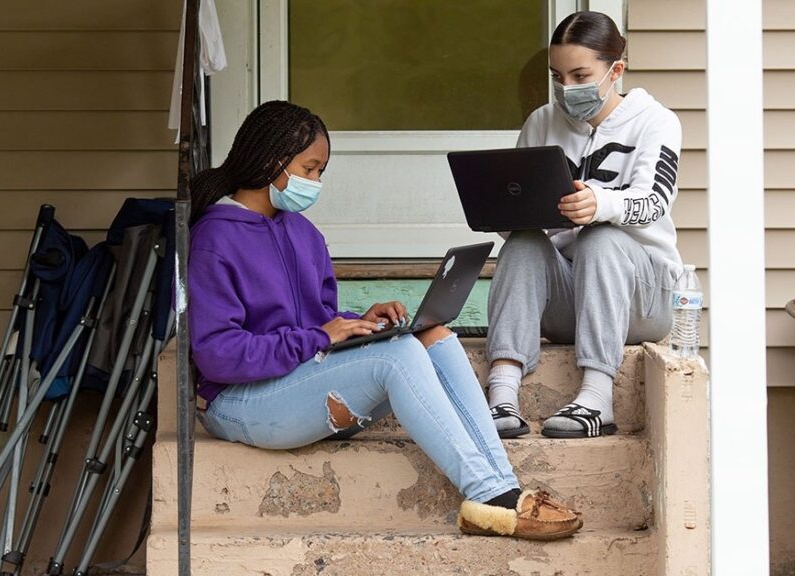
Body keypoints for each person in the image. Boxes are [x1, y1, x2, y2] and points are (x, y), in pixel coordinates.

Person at [187, 100, 581, 540]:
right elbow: (217, 354)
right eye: (310, 168)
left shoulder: (303, 233)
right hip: (239, 402)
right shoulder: (215, 237)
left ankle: (503, 487)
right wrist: (318, 337)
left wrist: (358, 322)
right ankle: (489, 496)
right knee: (396, 358)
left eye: (321, 172)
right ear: (271, 162)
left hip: (298, 386)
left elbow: (313, 320)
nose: (316, 182)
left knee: (434, 335)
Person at [486, 11, 683, 439]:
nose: (567, 89)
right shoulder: (542, 122)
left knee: (602, 237)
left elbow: (654, 201)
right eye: (558, 76)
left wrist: (600, 204)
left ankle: (596, 399)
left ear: (616, 70)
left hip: (641, 299)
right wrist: (505, 210)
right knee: (521, 243)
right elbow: (514, 217)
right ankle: (502, 393)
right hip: (570, 301)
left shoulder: (657, 121)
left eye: (580, 75)